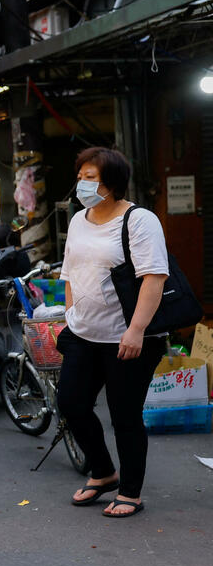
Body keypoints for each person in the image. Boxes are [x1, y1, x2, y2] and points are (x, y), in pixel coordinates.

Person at [57, 147, 168, 518]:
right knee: (71, 403)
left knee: (124, 415)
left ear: (112, 183)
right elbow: (69, 272)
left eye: (91, 177)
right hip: (83, 333)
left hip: (127, 336)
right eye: (81, 175)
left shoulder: (139, 220)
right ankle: (103, 472)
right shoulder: (78, 220)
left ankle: (131, 492)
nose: (82, 184)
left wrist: (136, 330)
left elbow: (154, 277)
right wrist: (70, 312)